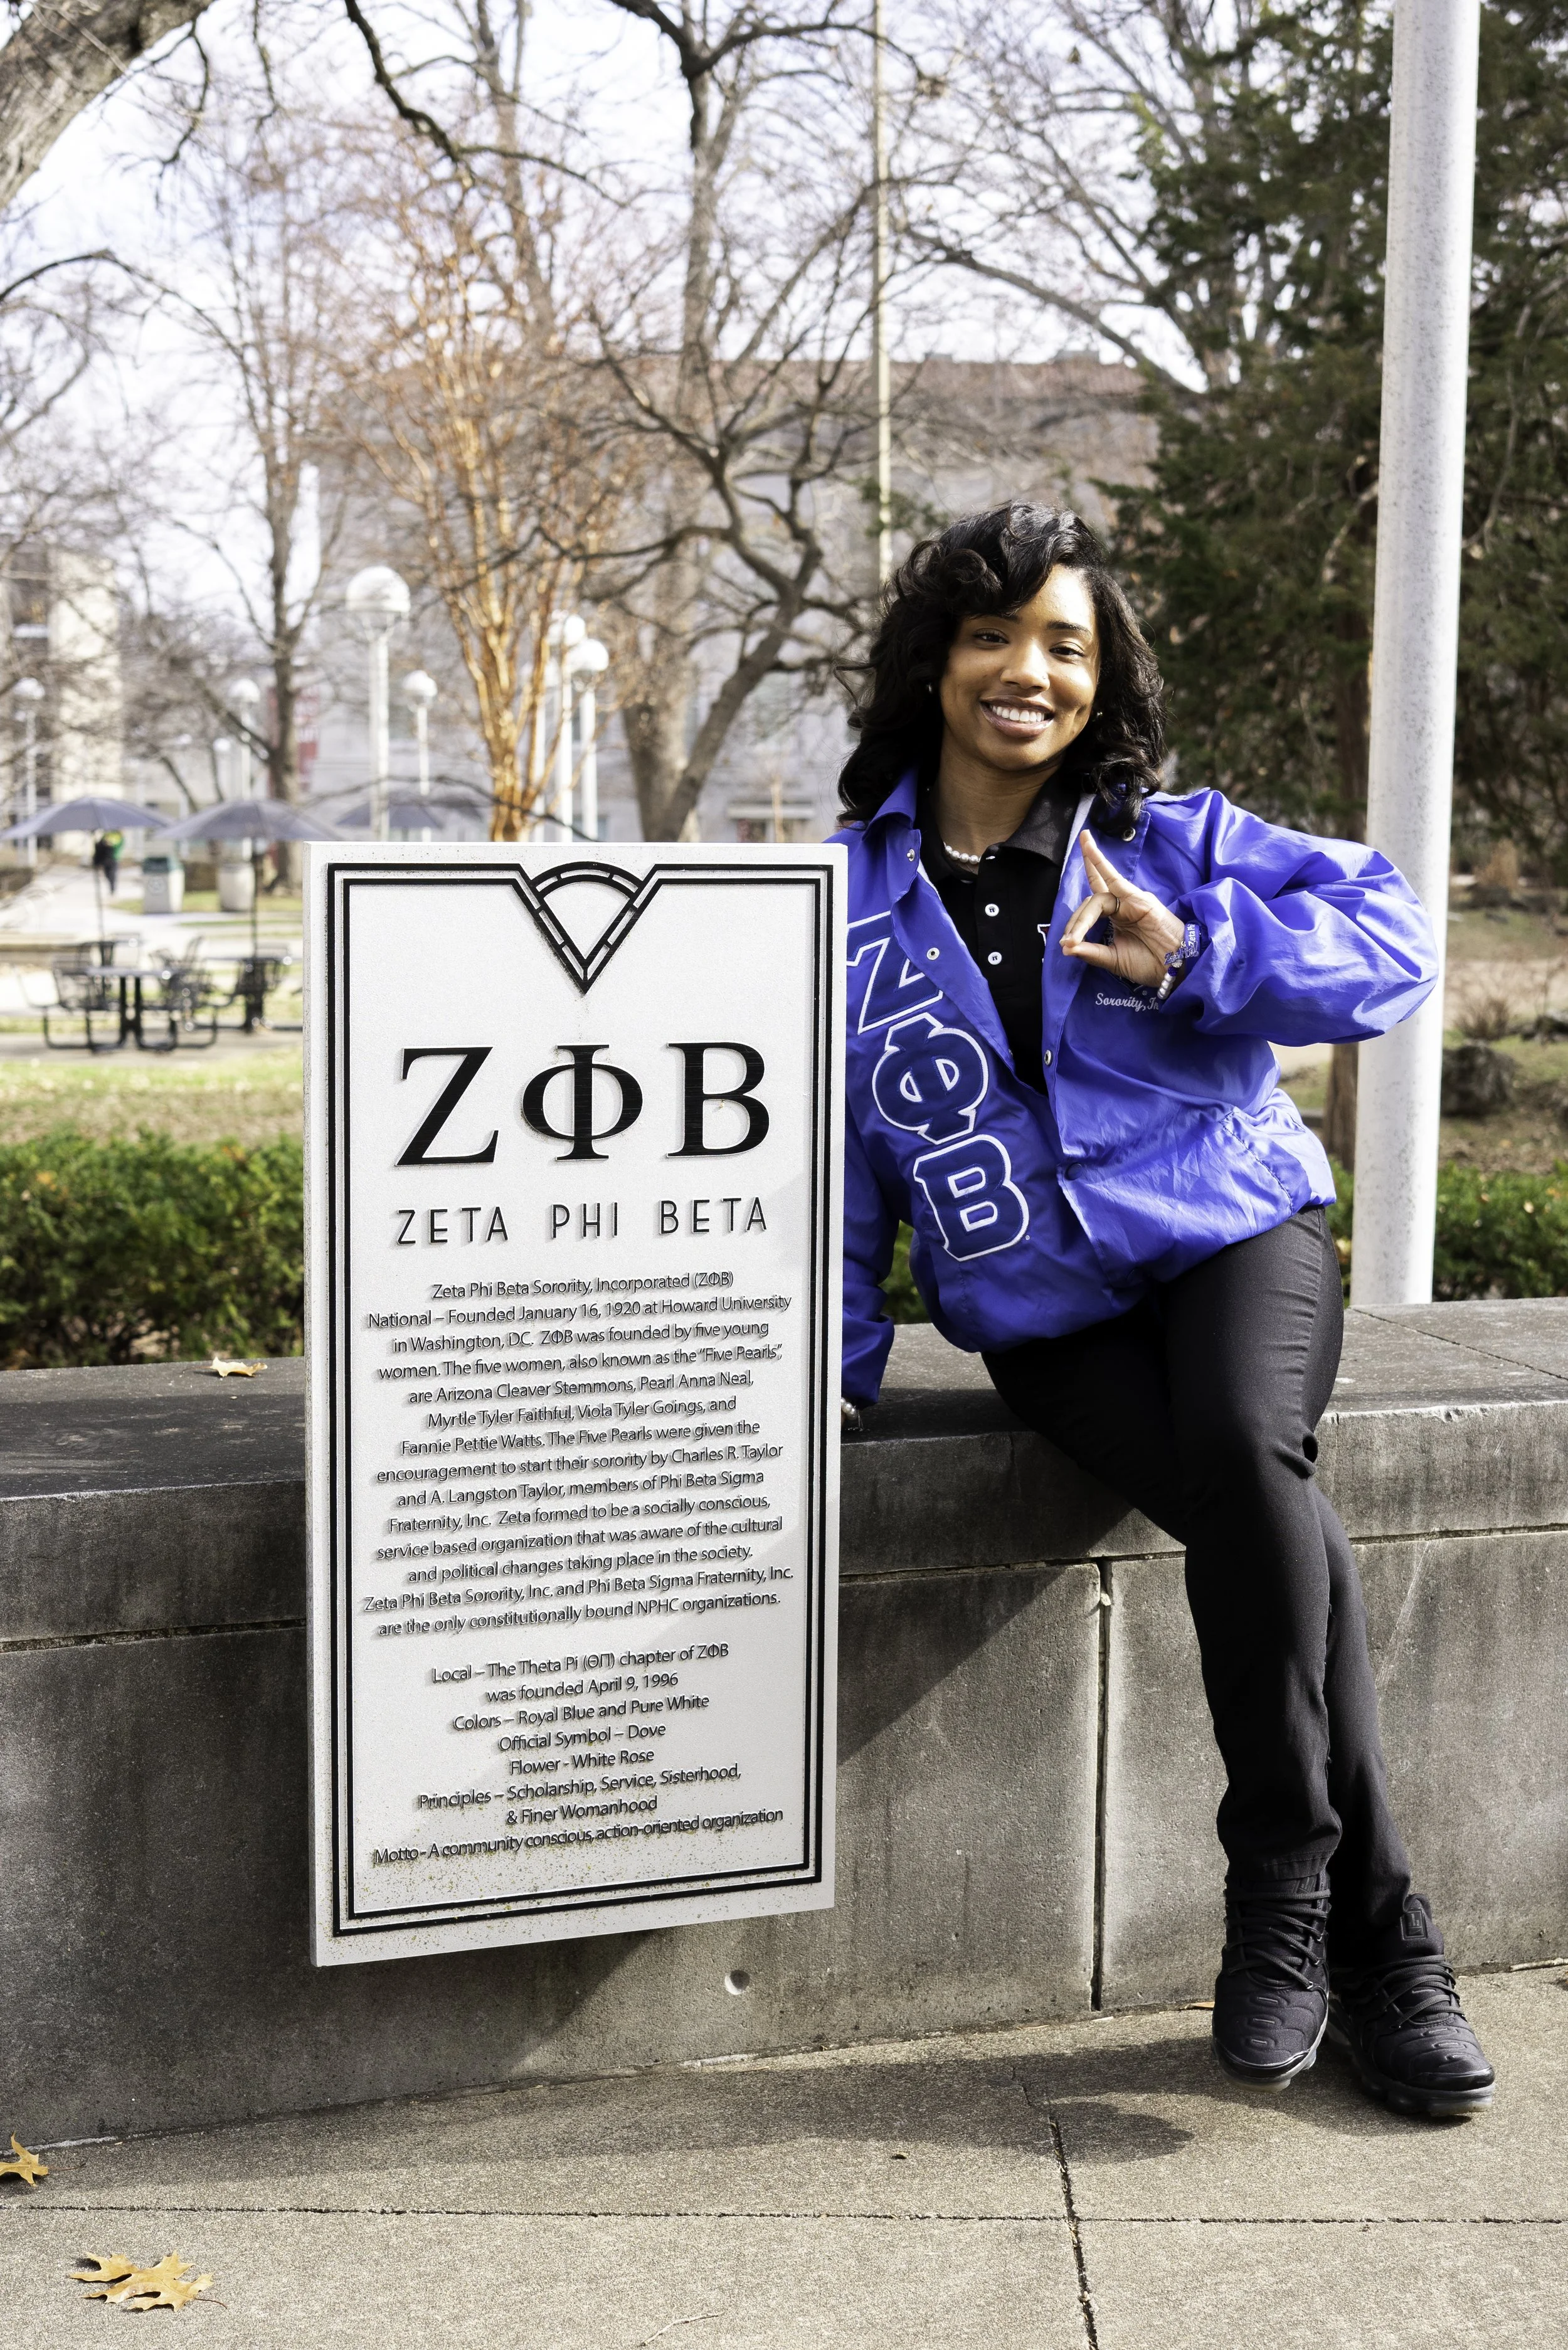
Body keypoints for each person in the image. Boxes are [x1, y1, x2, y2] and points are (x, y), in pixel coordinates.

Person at [832, 501, 1494, 2118]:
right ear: (935, 663)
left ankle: (1280, 1886)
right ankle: (1386, 1939)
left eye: (1064, 643)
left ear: (1099, 672)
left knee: (1249, 1456)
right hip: (1041, 1310)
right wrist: (833, 1363)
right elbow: (829, 1151)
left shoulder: (1169, 839)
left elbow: (1392, 949)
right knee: (1271, 1517)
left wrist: (1199, 952)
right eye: (992, 635)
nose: (1027, 672)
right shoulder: (837, 898)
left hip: (1231, 1232)